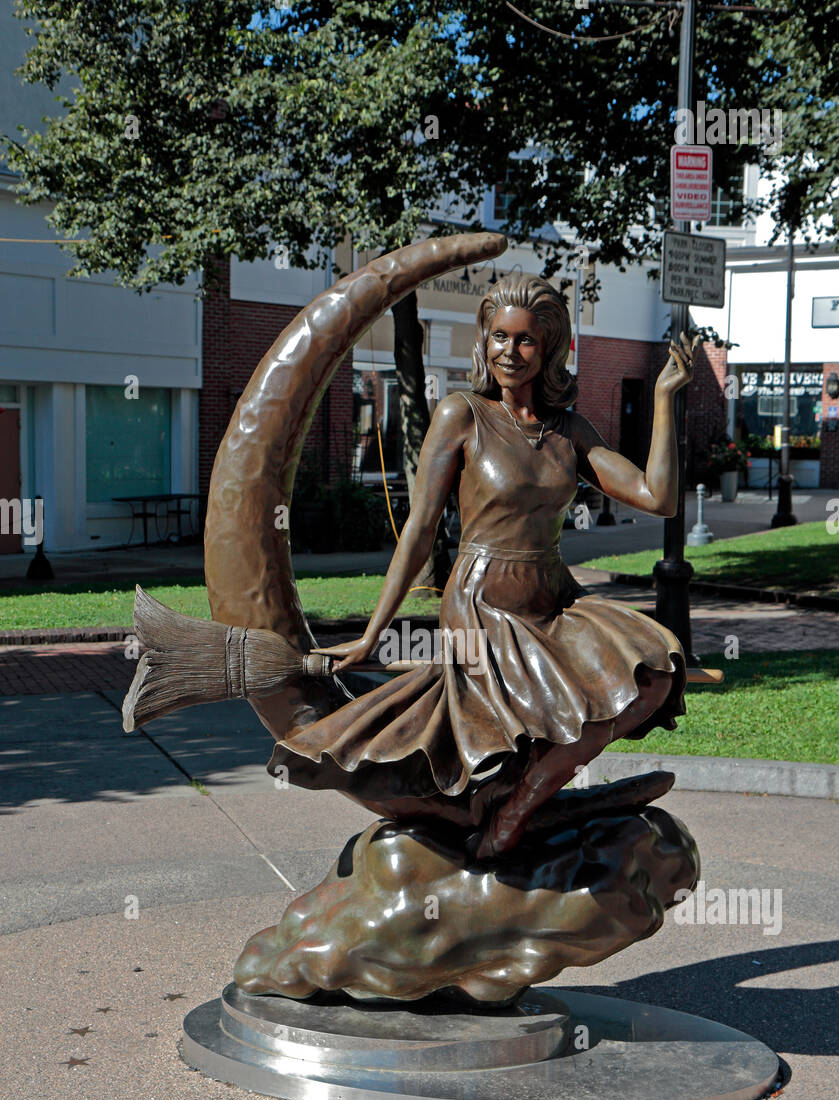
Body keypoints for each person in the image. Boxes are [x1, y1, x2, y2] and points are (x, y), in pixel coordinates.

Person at [275, 272, 699, 857]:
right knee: (547, 710)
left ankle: (520, 805)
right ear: (484, 340)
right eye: (499, 336)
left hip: (553, 600)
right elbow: (419, 531)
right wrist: (374, 632)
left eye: (525, 340)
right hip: (483, 609)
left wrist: (663, 400)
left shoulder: (568, 432)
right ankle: (502, 808)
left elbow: (659, 497)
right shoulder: (462, 415)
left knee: (652, 675)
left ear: (548, 348)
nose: (510, 352)